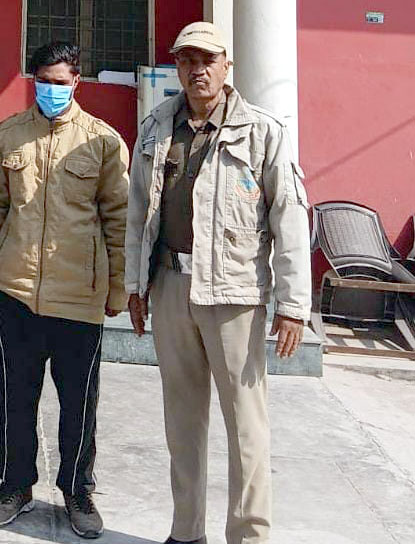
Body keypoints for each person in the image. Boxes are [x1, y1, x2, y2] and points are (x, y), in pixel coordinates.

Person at [125, 22, 311, 544]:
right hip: (170, 286)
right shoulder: (157, 127)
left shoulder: (262, 131)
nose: (198, 70)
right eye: (187, 60)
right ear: (177, 66)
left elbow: (290, 217)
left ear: (227, 65)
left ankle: (249, 536)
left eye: (208, 59)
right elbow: (138, 212)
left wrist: (293, 304)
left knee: (246, 426)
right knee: (182, 423)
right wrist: (135, 286)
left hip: (234, 294)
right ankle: (186, 532)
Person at [0, 41, 129, 539]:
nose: (51, 90)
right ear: (32, 80)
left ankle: (77, 489)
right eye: (43, 81)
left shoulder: (103, 141)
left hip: (79, 295)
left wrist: (118, 288)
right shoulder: (8, 135)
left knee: (79, 403)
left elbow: (118, 219)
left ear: (76, 82)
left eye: (60, 82)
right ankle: (14, 484)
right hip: (18, 289)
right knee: (15, 397)